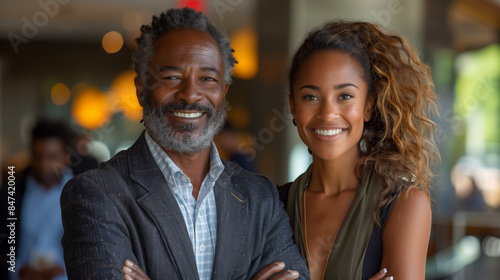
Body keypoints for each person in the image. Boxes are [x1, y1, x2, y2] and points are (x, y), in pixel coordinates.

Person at [60, 7, 308, 280]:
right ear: (141, 89)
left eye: (207, 79)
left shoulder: (260, 195)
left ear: (223, 92)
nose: (191, 94)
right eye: (172, 77)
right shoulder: (96, 194)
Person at [279, 20, 439, 280]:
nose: (328, 113)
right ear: (293, 107)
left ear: (368, 106)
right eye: (311, 96)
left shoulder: (405, 206)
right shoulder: (271, 205)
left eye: (345, 96)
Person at [0, 119, 73, 280]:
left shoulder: (82, 194)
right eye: (38, 156)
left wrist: (66, 271)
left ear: (66, 156)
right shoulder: (11, 194)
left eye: (52, 157)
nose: (44, 165)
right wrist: (17, 270)